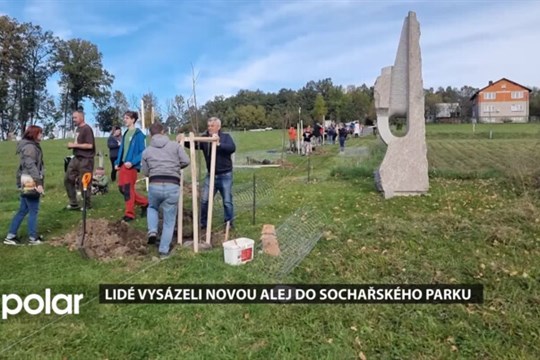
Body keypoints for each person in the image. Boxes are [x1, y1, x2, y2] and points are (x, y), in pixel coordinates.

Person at [142, 122, 190, 259]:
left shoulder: (146, 151)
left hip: (155, 184)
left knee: (152, 207)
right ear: (163, 132)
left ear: (151, 134)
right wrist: (175, 166)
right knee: (169, 220)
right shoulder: (175, 146)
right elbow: (186, 161)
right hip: (172, 185)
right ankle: (163, 251)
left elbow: (145, 172)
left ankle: (152, 230)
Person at [184, 117, 236, 230]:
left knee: (227, 200)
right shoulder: (204, 138)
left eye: (212, 126)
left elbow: (232, 148)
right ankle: (203, 223)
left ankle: (228, 223)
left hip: (225, 174)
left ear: (218, 127)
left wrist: (219, 144)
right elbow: (193, 144)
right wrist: (184, 139)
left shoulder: (226, 137)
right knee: (205, 200)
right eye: (208, 126)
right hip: (211, 175)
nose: (209, 128)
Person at [4, 125, 45, 245]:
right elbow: (30, 166)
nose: (41, 135)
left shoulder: (29, 146)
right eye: (40, 133)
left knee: (23, 210)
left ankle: (10, 236)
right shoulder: (30, 148)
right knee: (33, 210)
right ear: (34, 134)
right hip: (30, 180)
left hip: (26, 179)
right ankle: (33, 238)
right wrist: (38, 183)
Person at [115, 111, 148, 222]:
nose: (125, 120)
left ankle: (130, 214)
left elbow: (143, 152)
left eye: (127, 118)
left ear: (133, 120)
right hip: (123, 166)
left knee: (128, 190)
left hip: (131, 167)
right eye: (124, 118)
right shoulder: (125, 133)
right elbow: (122, 150)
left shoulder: (138, 135)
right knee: (122, 189)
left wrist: (132, 162)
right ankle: (145, 203)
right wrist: (117, 162)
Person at [65, 110, 95, 210]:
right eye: (73, 117)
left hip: (86, 159)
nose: (74, 120)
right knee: (68, 179)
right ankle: (73, 202)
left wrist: (74, 145)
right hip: (76, 157)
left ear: (82, 117)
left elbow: (90, 145)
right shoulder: (78, 129)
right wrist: (73, 146)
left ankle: (87, 204)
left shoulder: (87, 129)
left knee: (84, 182)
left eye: (75, 117)